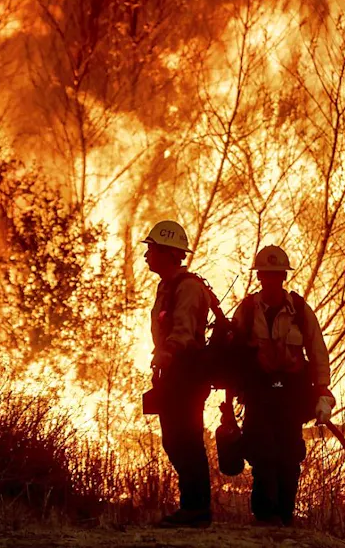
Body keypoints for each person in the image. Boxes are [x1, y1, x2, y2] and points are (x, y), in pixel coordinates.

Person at [231, 245, 336, 526]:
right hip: (258, 393)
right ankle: (265, 515)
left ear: (283, 277)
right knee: (260, 451)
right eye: (266, 274)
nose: (271, 279)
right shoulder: (247, 310)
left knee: (289, 454)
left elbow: (317, 352)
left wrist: (322, 391)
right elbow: (232, 352)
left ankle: (285, 514)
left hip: (291, 396)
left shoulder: (300, 310)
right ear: (259, 277)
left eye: (276, 274)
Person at [142, 220, 213, 528]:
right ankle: (193, 507)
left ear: (169, 254)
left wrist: (168, 351)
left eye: (152, 249)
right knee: (174, 440)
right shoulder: (168, 286)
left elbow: (184, 330)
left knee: (186, 439)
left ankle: (196, 509)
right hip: (173, 372)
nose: (146, 255)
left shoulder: (188, 288)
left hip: (188, 373)